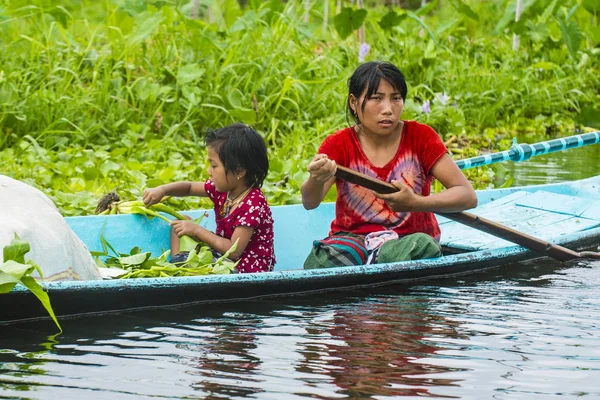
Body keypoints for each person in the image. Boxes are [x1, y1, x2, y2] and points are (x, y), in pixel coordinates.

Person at [301, 61, 477, 269]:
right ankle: (371, 260)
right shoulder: (338, 144)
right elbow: (310, 201)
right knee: (320, 260)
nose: (388, 109)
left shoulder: (421, 138)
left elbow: (467, 195)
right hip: (353, 241)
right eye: (376, 98)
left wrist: (415, 203)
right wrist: (315, 178)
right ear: (353, 103)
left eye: (396, 99)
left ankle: (375, 262)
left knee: (421, 246)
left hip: (407, 241)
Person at [143, 123, 276, 273]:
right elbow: (189, 188)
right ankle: (178, 268)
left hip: (244, 267)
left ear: (239, 171)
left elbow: (233, 251)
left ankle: (182, 270)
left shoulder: (253, 203)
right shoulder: (225, 190)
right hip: (222, 256)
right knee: (181, 222)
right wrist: (163, 190)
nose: (209, 171)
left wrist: (197, 231)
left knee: (190, 230)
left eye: (214, 166)